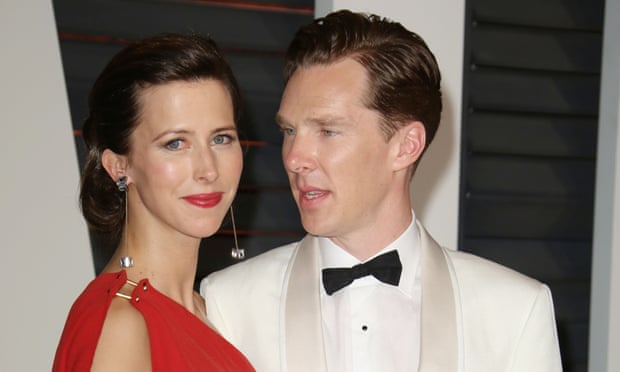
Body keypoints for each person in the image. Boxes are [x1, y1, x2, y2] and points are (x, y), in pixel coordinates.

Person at [201, 9, 562, 372]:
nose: (294, 158)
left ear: (406, 146)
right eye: (289, 131)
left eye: (327, 131)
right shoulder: (227, 305)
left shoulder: (515, 313)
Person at [53, 33, 254, 371]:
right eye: (175, 143)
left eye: (221, 138)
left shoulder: (207, 310)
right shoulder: (121, 324)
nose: (208, 169)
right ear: (120, 165)